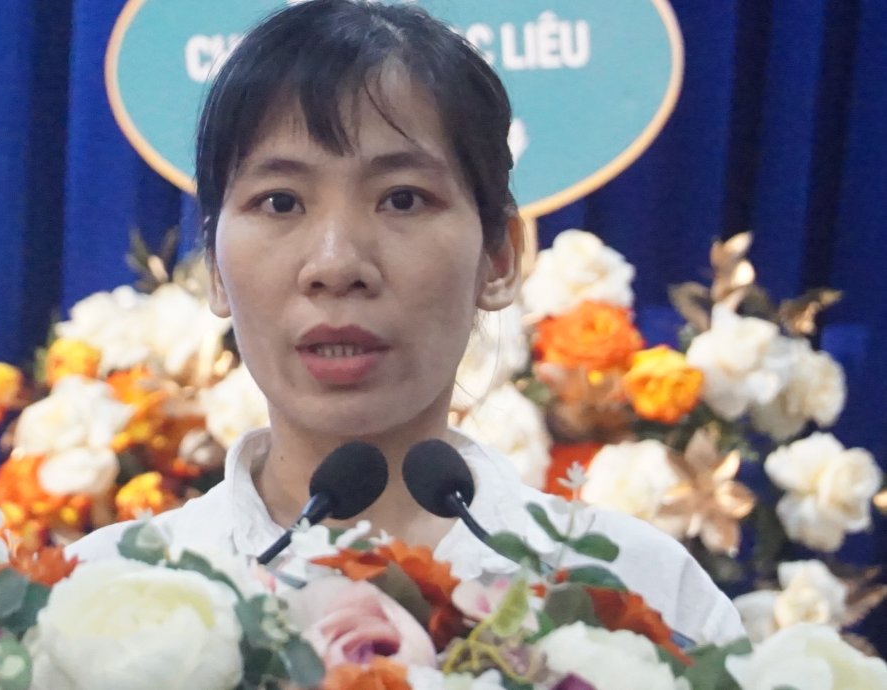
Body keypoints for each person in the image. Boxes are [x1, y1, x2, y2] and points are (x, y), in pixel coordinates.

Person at [70, 0, 744, 645]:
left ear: (499, 259)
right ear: (216, 271)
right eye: (280, 202)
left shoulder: (639, 598)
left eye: (401, 199)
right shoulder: (101, 604)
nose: (336, 264)